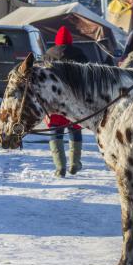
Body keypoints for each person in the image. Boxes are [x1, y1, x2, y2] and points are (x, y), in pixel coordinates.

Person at [44, 26, 88, 177]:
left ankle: (60, 167)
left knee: (56, 132)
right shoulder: (79, 54)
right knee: (74, 129)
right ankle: (75, 163)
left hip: (54, 99)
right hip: (74, 100)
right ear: (70, 40)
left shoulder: (48, 54)